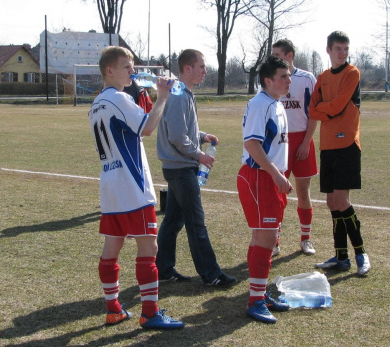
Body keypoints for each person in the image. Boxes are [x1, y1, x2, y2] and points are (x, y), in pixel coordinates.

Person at [88, 46, 184, 329]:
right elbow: (147, 127)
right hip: (132, 185)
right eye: (126, 66)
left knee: (112, 247)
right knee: (148, 247)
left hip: (110, 185)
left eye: (132, 66)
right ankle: (150, 313)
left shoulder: (96, 104)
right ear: (109, 70)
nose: (132, 71)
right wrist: (163, 98)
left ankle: (113, 308)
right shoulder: (118, 98)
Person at [156, 49, 236, 286]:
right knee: (195, 222)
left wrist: (201, 135)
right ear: (187, 68)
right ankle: (211, 274)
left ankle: (163, 269)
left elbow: (184, 130)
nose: (205, 71)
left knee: (173, 221)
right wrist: (200, 155)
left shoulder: (184, 93)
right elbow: (178, 137)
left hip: (178, 167)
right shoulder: (180, 95)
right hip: (181, 168)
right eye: (201, 66)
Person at [308, 31, 371, 276]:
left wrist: (327, 109)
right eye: (338, 49)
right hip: (327, 147)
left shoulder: (352, 73)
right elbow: (313, 110)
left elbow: (335, 107)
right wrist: (328, 110)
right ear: (329, 50)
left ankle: (361, 253)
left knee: (342, 201)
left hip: (347, 146)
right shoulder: (322, 77)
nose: (342, 53)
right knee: (331, 202)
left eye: (345, 49)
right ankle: (341, 257)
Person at [237, 56, 293, 324]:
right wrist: (275, 175)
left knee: (262, 237)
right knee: (267, 238)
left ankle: (258, 293)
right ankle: (256, 300)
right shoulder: (261, 104)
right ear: (268, 80)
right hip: (259, 177)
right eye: (283, 76)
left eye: (289, 75)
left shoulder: (276, 104)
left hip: (268, 177)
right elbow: (252, 145)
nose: (288, 80)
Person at [271, 39, 318, 257]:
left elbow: (314, 114)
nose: (274, 58)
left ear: (289, 56)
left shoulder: (306, 79)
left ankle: (306, 239)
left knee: (302, 191)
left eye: (278, 54)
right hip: (280, 142)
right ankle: (275, 240)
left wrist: (306, 141)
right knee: (277, 193)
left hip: (302, 140)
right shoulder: (271, 79)